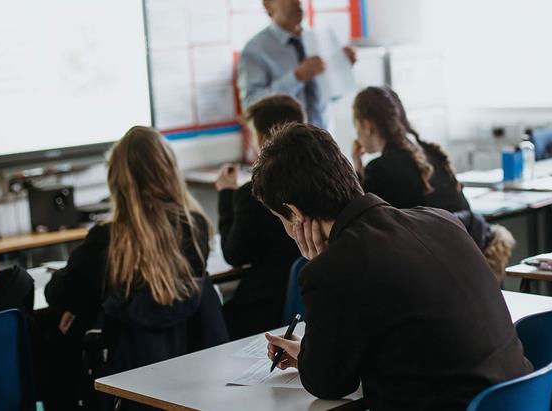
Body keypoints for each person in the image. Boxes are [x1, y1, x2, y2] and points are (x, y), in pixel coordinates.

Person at [254, 123, 532, 409]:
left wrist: (324, 264)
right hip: (526, 400)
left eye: (281, 219)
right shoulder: (442, 220)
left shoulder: (333, 269)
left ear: (296, 215)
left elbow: (330, 383)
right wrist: (309, 353)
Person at [41, 126, 228, 409]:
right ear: (169, 170)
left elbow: (58, 293)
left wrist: (82, 307)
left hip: (124, 384)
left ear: (117, 181)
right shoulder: (194, 227)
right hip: (190, 381)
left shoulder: (107, 240)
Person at [352, 86, 515, 282]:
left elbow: (362, 226)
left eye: (357, 127)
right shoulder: (433, 154)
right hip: (472, 254)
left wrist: (357, 173)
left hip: (434, 268)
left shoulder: (380, 169)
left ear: (367, 125)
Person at [215, 95, 302, 339]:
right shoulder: (318, 183)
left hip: (264, 309)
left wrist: (225, 194)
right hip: (306, 302)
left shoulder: (254, 192)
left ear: (264, 140)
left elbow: (234, 254)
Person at [237, 0, 356, 129]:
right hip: (284, 144)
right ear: (268, 5)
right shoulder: (255, 49)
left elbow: (327, 98)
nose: (297, 1)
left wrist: (342, 69)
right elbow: (250, 106)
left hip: (324, 138)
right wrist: (296, 77)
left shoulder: (316, 38)